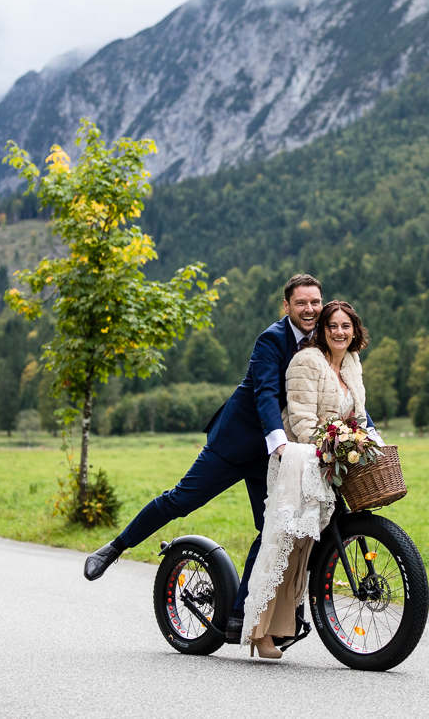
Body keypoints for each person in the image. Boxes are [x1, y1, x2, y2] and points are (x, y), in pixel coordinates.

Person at [83, 273, 326, 643]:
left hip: (276, 456)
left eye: (315, 302)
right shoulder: (271, 340)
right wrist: (277, 439)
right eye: (301, 303)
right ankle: (115, 548)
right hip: (236, 444)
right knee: (180, 500)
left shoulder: (322, 340)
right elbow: (265, 394)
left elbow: (339, 386)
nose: (309, 309)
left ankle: (241, 613)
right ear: (286, 306)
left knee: (272, 529)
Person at [241, 300, 374, 658]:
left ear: (354, 330)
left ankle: (282, 626)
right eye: (332, 326)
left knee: (306, 551)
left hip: (332, 464)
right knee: (287, 545)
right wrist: (329, 448)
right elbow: (299, 419)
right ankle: (259, 632)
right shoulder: (306, 362)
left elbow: (358, 415)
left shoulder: (352, 364)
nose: (339, 332)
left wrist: (364, 441)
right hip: (300, 460)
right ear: (322, 330)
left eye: (346, 326)